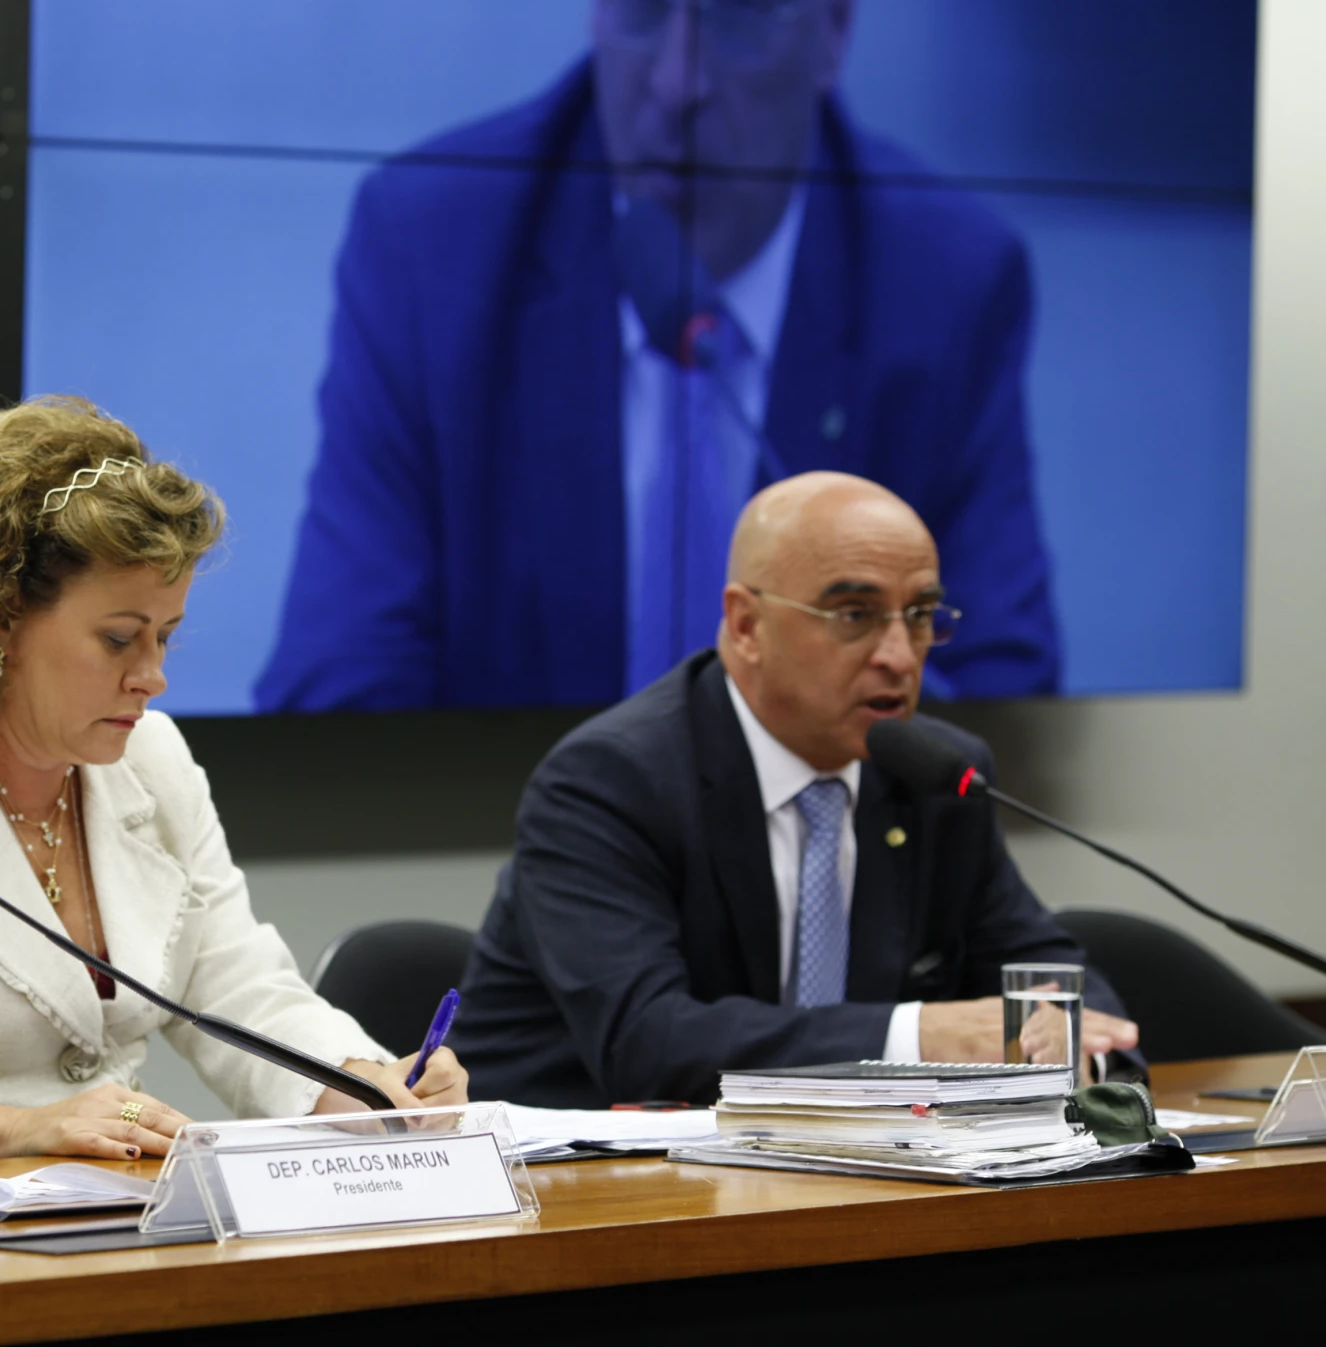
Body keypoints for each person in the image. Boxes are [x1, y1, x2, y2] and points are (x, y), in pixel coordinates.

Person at [256, 0, 1060, 714]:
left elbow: (1005, 707)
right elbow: (338, 699)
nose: (677, 81)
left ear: (837, 18)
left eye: (743, 0)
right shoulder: (433, 249)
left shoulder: (950, 284)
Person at [0, 397, 467, 1169]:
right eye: (120, 638)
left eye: (167, 636)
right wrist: (7, 1124)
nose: (152, 676)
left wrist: (366, 1086)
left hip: (121, 1218)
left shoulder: (152, 760)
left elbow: (237, 983)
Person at [451, 472, 1134, 1108]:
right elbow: (647, 1040)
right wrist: (920, 1038)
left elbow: (1049, 972)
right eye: (855, 614)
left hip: (837, 1177)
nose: (899, 653)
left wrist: (1065, 1042)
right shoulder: (611, 779)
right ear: (746, 625)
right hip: (580, 1191)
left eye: (921, 613)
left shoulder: (937, 772)